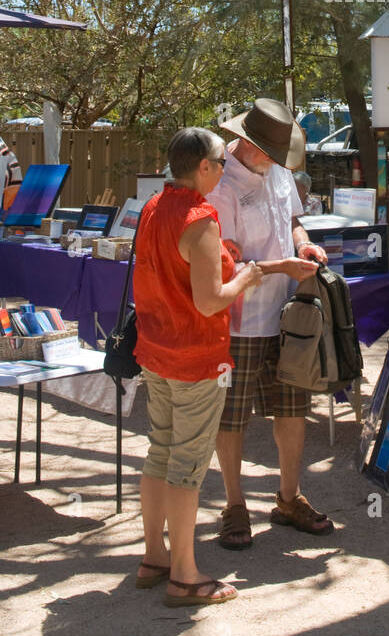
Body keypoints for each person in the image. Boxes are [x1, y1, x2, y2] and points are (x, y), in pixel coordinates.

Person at [133, 126, 263, 607]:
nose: (225, 172)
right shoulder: (200, 216)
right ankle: (185, 575)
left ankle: (155, 556)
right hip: (195, 360)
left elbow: (172, 269)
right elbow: (211, 303)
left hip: (156, 353)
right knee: (187, 466)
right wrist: (245, 278)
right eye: (221, 164)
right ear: (204, 166)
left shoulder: (152, 207)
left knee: (160, 452)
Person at [208, 97, 334, 549]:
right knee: (232, 416)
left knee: (293, 408)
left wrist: (304, 245)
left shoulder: (277, 171)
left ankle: (288, 497)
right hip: (240, 320)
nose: (276, 162)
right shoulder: (219, 187)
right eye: (269, 152)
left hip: (287, 316)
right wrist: (283, 266)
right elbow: (225, 262)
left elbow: (294, 220)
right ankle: (234, 505)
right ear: (245, 143)